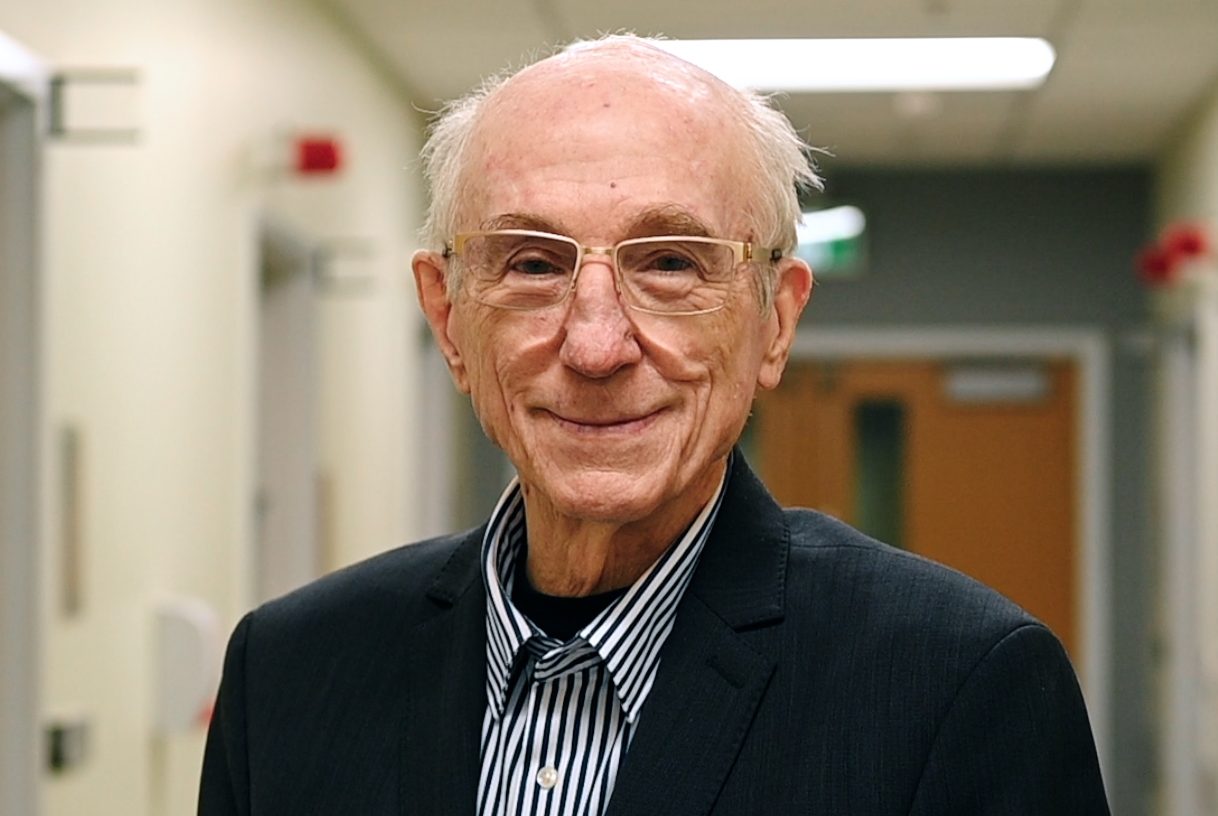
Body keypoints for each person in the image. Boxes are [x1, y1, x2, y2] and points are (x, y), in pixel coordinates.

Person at [199, 34, 1110, 815]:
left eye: (671, 262)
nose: (596, 345)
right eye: (532, 264)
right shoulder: (288, 676)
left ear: (775, 322)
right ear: (448, 320)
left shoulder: (958, 687)